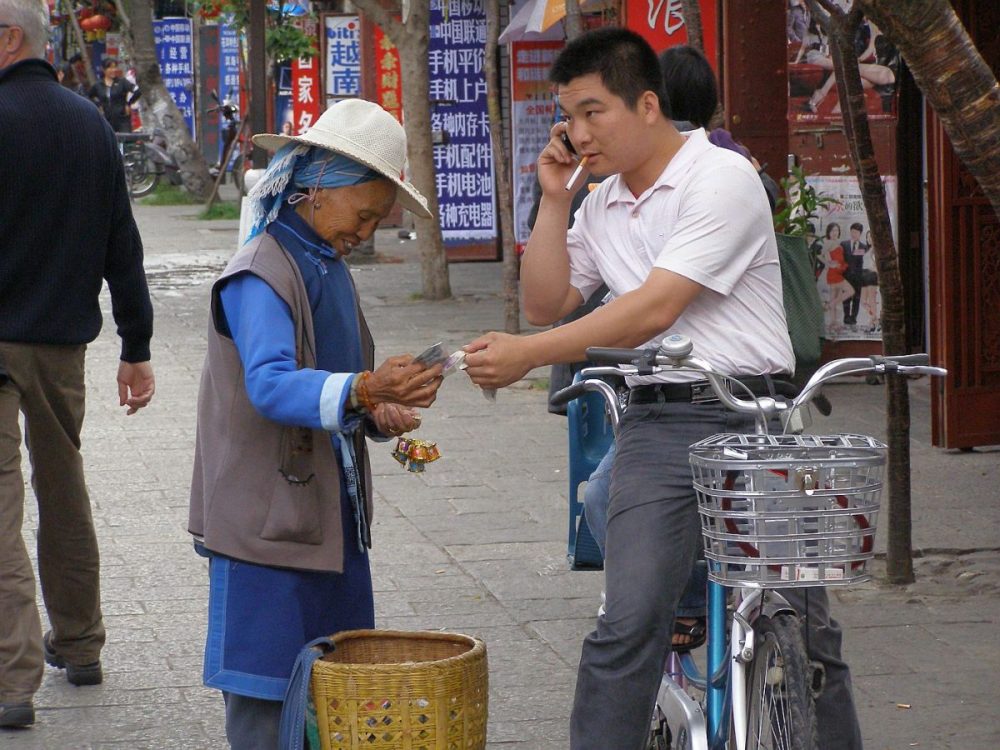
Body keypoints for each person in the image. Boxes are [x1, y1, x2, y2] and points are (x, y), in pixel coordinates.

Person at [463, 28, 863, 750]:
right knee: (629, 622)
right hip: (659, 424)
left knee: (810, 636)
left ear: (648, 105)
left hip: (755, 418)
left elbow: (654, 306)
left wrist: (528, 356)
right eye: (569, 117)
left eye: (594, 112)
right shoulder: (602, 202)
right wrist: (554, 202)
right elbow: (546, 302)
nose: (579, 134)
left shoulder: (721, 176)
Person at [187, 98, 444, 749]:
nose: (365, 232)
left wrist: (379, 409)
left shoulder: (326, 266)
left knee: (332, 697)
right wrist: (363, 387)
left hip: (329, 526)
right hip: (266, 531)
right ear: (317, 190)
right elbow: (272, 385)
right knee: (264, 700)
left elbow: (341, 385)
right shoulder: (258, 273)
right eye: (364, 215)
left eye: (377, 222)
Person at [0, 0, 155, 730]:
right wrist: (136, 345)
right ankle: (81, 644)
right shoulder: (88, 122)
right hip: (61, 346)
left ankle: (11, 680)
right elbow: (121, 242)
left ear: (10, 38)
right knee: (63, 486)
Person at [88, 56, 139, 132]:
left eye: (115, 67)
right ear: (104, 69)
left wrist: (129, 104)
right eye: (110, 68)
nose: (113, 70)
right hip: (106, 119)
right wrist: (98, 105)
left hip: (122, 119)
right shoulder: (98, 85)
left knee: (125, 141)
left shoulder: (122, 82)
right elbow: (89, 96)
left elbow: (137, 91)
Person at [821, 223, 855, 331]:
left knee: (834, 296)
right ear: (829, 232)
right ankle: (829, 305)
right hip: (834, 273)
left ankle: (833, 323)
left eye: (836, 230)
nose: (835, 233)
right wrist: (829, 263)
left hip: (837, 272)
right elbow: (820, 254)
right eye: (832, 231)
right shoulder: (829, 242)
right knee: (850, 291)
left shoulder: (835, 242)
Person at [840, 221, 868, 326]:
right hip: (846, 277)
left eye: (856, 232)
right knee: (846, 298)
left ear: (860, 233)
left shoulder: (864, 247)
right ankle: (846, 317)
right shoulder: (844, 244)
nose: (853, 234)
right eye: (852, 231)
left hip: (858, 278)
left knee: (856, 298)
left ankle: (853, 318)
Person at [861, 229, 880, 331]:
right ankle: (875, 319)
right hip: (864, 275)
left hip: (871, 275)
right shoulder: (868, 249)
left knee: (871, 299)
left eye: (871, 237)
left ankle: (872, 321)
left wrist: (873, 269)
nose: (869, 239)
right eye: (868, 237)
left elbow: (876, 265)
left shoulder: (875, 250)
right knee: (863, 301)